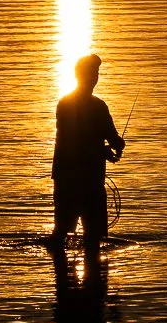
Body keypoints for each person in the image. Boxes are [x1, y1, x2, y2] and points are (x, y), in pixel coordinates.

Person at [49, 52, 125, 248]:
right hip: (90, 181)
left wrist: (103, 151)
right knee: (95, 239)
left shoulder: (63, 104)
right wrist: (116, 147)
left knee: (60, 235)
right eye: (93, 72)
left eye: (96, 72)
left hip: (64, 177)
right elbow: (113, 140)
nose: (95, 77)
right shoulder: (98, 107)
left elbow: (74, 141)